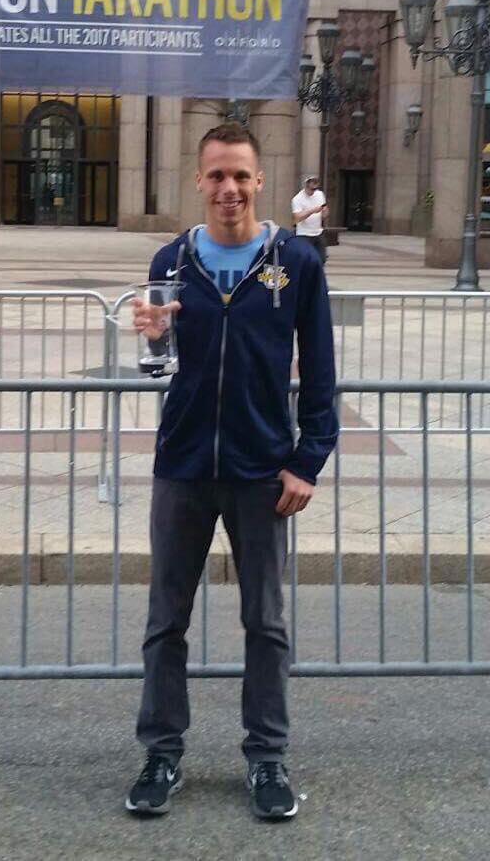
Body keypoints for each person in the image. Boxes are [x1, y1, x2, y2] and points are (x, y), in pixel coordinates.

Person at [126, 122, 338, 821]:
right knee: (166, 621)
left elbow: (321, 373)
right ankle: (161, 753)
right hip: (183, 465)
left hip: (260, 470)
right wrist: (153, 336)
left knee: (265, 622)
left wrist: (307, 459)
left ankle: (268, 757)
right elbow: (158, 363)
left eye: (240, 175)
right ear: (198, 180)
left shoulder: (296, 263)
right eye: (216, 175)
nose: (229, 188)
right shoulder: (172, 260)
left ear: (259, 181)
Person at [291, 175, 328, 265]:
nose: (313, 191)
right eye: (312, 189)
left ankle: (316, 273)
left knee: (322, 259)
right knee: (305, 259)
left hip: (318, 232)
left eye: (315, 189)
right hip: (304, 234)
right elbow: (297, 217)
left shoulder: (320, 194)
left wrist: (325, 212)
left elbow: (324, 213)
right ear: (306, 186)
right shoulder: (297, 199)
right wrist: (312, 211)